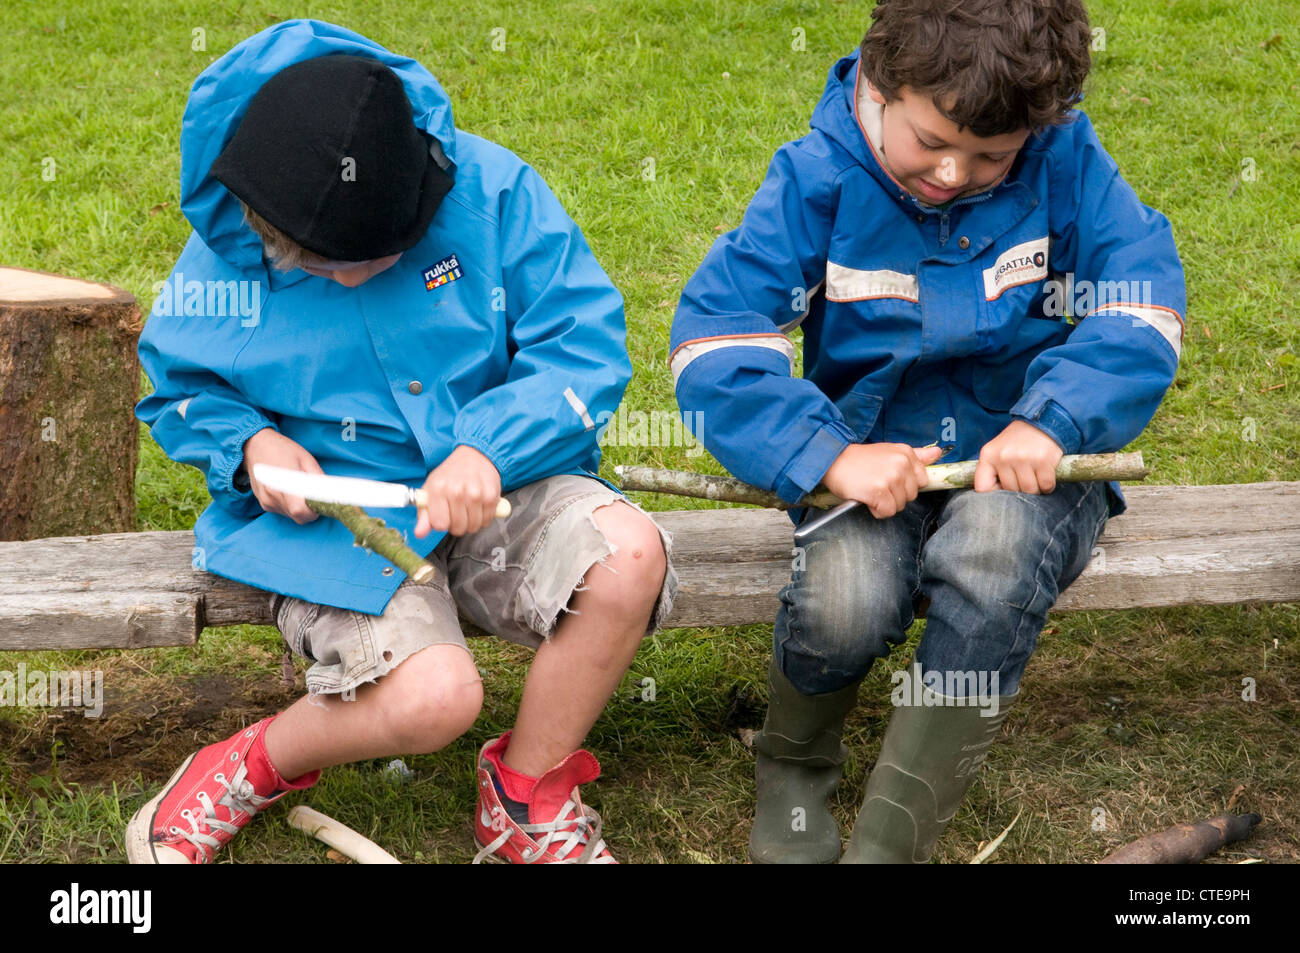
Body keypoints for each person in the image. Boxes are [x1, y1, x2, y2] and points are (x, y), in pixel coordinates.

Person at [128, 18, 676, 865]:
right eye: (327, 264)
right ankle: (248, 763)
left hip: (508, 484)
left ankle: (526, 797)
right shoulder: (224, 258)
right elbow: (179, 388)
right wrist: (251, 449)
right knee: (434, 699)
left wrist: (490, 446)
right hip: (336, 527)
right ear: (265, 223)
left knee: (630, 554)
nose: (356, 279)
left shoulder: (493, 191)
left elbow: (584, 344)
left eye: (388, 255)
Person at [670, 0, 1184, 863]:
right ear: (879, 79)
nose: (953, 173)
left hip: (1027, 464)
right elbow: (715, 341)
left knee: (992, 555)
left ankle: (891, 841)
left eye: (992, 156)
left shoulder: (1066, 159)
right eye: (931, 141)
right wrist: (826, 454)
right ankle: (793, 765)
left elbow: (1143, 303)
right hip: (870, 462)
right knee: (848, 596)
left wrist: (1052, 424)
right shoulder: (814, 177)